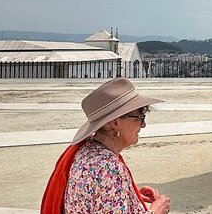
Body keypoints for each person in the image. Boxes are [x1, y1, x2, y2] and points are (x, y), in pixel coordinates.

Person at [41, 77, 171, 214]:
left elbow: (95, 198)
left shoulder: (86, 151)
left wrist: (127, 193)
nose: (143, 125)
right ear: (115, 123)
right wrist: (156, 211)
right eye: (140, 117)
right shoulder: (109, 169)